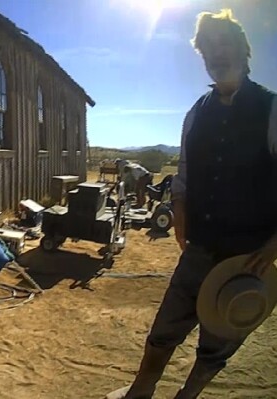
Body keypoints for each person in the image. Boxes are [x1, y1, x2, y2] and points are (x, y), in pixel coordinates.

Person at [106, 9, 277, 399]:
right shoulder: (195, 113)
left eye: (224, 44)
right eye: (207, 49)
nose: (216, 54)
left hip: (249, 256)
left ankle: (189, 395)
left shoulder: (272, 110)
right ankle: (141, 391)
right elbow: (183, 173)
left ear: (243, 50)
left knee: (219, 340)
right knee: (165, 328)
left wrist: (273, 245)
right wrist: (179, 211)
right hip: (200, 248)